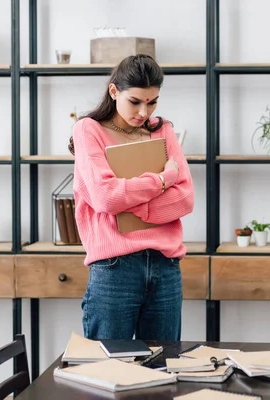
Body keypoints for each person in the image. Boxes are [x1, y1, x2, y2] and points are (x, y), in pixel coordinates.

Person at [68, 54, 194, 341]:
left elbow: (185, 200)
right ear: (114, 92)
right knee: (107, 371)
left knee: (163, 370)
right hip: (114, 269)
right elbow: (105, 198)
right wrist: (162, 180)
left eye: (152, 102)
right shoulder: (89, 130)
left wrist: (133, 204)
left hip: (165, 266)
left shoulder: (163, 130)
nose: (144, 111)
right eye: (135, 101)